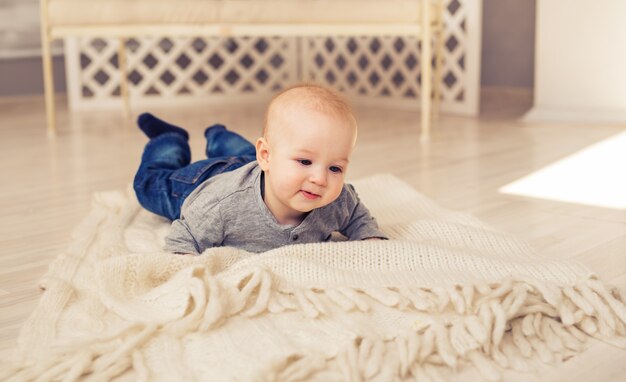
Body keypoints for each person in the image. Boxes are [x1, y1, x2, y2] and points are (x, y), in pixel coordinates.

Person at [133, 83, 387, 255]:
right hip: (203, 180)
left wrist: (369, 238)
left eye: (335, 168)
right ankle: (169, 139)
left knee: (250, 156)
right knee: (148, 185)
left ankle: (219, 137)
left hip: (261, 170)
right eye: (305, 162)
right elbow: (183, 236)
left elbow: (357, 217)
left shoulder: (337, 200)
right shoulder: (221, 205)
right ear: (265, 156)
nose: (320, 179)